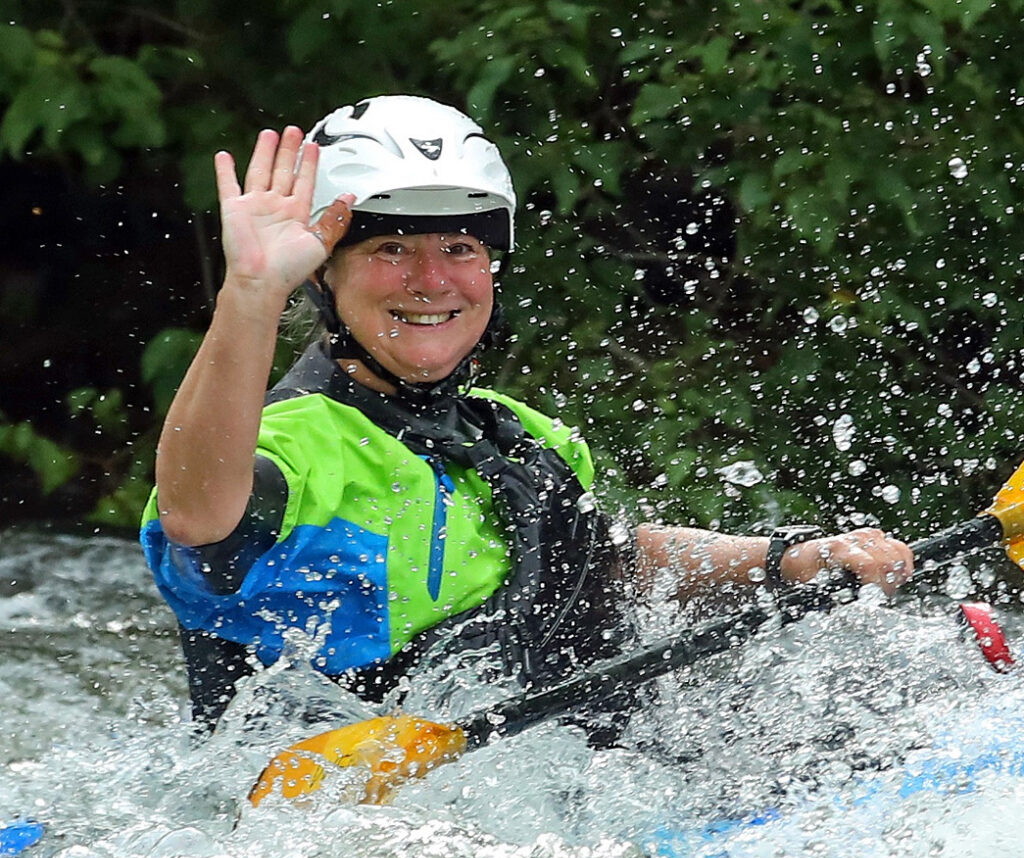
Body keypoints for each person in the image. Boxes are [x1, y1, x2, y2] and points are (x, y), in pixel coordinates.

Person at [140, 95, 913, 741]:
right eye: (392, 249)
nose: (432, 279)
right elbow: (196, 513)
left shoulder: (524, 438)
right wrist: (250, 297)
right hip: (319, 841)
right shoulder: (291, 440)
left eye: (459, 247)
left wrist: (790, 562)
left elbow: (615, 565)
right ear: (321, 278)